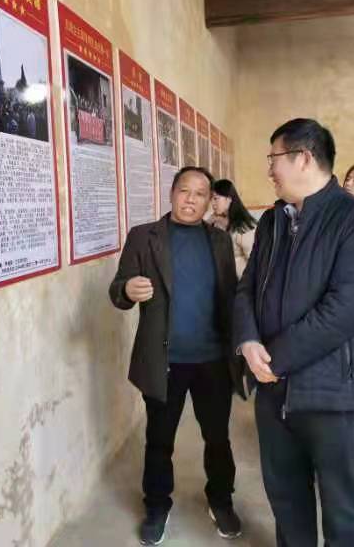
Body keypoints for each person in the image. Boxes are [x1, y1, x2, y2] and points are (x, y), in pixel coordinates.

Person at [233, 118, 354, 547]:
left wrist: (275, 360)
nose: (270, 169)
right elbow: (246, 288)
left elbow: (345, 309)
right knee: (286, 499)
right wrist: (248, 341)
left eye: (274, 158)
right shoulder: (271, 221)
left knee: (341, 505)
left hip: (331, 391)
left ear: (302, 158)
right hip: (272, 389)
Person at [109, 166, 246, 546]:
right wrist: (127, 290)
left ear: (209, 201)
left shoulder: (219, 241)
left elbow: (230, 296)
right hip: (164, 361)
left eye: (200, 194)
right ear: (172, 193)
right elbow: (117, 289)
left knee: (217, 437)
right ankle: (156, 506)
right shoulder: (144, 237)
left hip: (213, 360)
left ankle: (221, 500)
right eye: (184, 191)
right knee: (159, 440)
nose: (191, 199)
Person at [210, 179, 258, 279]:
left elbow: (256, 263)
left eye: (216, 198)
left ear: (229, 199)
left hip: (241, 283)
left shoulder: (244, 227)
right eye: (211, 199)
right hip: (223, 281)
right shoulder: (216, 222)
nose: (212, 203)